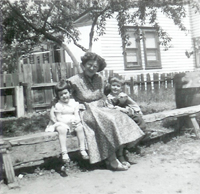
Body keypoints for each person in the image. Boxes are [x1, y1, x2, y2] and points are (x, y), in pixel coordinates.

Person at [66, 52, 145, 171]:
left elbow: (107, 94)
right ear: (83, 65)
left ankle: (121, 154)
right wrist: (76, 106)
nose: (92, 68)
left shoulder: (100, 79)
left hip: (102, 107)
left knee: (119, 117)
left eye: (95, 66)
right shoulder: (73, 80)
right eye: (89, 64)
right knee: (108, 120)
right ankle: (111, 159)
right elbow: (65, 98)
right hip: (86, 110)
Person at [45, 79, 89, 163]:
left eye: (65, 93)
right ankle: (64, 152)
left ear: (69, 92)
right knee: (62, 130)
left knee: (80, 128)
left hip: (72, 122)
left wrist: (77, 120)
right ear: (58, 96)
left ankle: (82, 149)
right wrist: (67, 122)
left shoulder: (74, 103)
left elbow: (76, 114)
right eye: (61, 95)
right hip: (61, 123)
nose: (64, 96)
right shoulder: (58, 105)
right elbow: (58, 118)